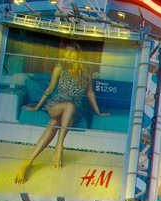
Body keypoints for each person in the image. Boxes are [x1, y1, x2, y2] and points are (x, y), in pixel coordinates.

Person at [14, 41, 110, 184]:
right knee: (67, 107)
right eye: (66, 52)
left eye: (71, 52)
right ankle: (59, 147)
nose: (67, 55)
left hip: (74, 111)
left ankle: (27, 162)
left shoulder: (85, 73)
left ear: (78, 54)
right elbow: (49, 90)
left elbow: (90, 93)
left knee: (56, 121)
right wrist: (36, 107)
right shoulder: (59, 68)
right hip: (56, 105)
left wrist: (99, 112)